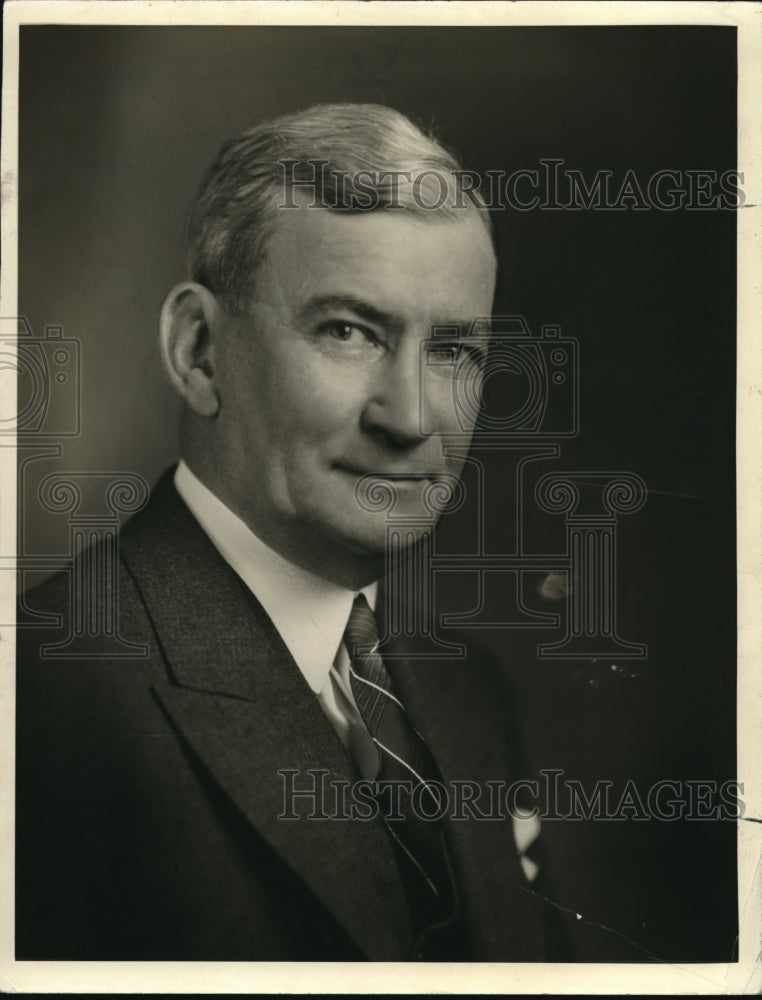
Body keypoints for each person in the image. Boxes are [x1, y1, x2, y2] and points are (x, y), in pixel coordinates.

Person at [16, 103, 549, 961]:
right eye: (349, 332)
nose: (412, 418)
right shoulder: (47, 700)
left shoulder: (467, 693)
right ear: (198, 351)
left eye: (454, 351)